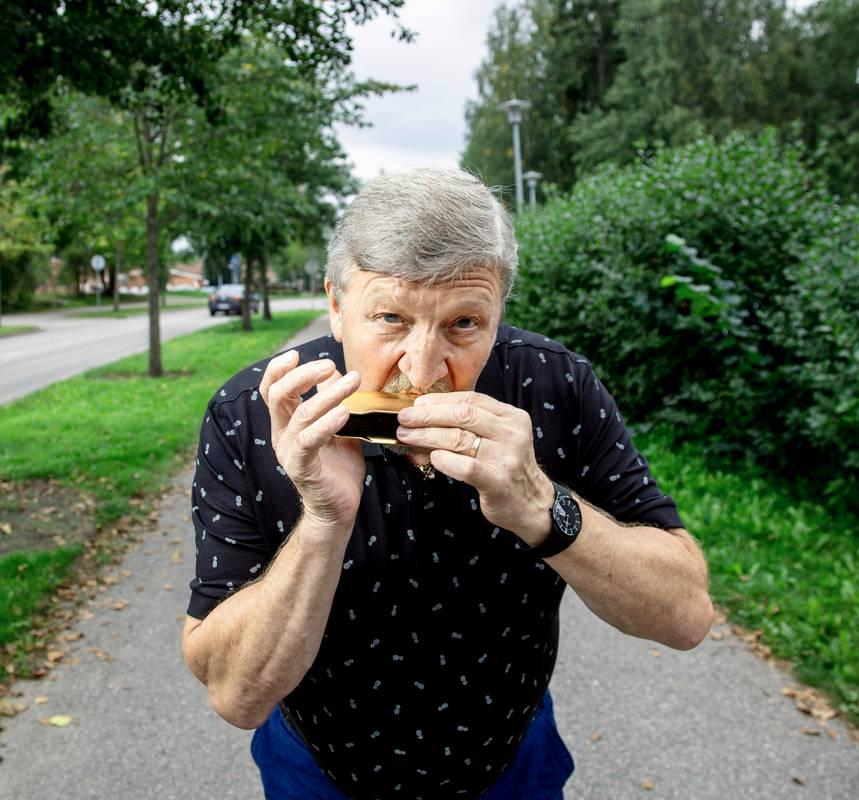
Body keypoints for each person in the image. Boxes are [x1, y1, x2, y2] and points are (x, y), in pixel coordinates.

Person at [181, 168, 714, 800]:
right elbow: (236, 695)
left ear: (498, 314)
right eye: (390, 317)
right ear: (334, 303)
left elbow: (686, 617)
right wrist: (325, 519)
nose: (423, 368)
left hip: (512, 759)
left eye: (464, 323)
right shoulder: (252, 411)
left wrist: (541, 506)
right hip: (318, 767)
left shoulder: (556, 387)